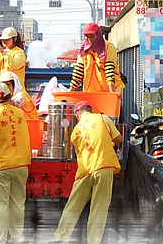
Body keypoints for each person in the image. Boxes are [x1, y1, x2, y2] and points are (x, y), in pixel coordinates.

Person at [52, 100, 123, 244]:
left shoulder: (75, 132)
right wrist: (110, 144)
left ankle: (60, 237)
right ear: (90, 110)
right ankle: (94, 241)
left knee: (73, 205)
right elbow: (119, 138)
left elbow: (81, 151)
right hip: (104, 166)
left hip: (85, 170)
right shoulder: (104, 119)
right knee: (99, 207)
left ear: (77, 115)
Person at [0, 82, 31, 244]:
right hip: (21, 164)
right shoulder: (20, 114)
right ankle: (18, 238)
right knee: (17, 203)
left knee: (0, 205)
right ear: (10, 97)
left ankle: (1, 239)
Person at [69, 22, 124, 94]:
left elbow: (109, 69)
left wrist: (112, 92)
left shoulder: (108, 47)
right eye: (87, 36)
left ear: (98, 35)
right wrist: (71, 89)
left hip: (108, 91)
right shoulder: (84, 50)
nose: (89, 39)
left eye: (92, 36)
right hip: (90, 91)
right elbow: (79, 70)